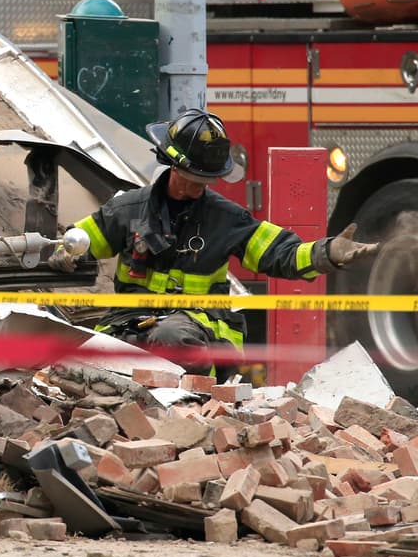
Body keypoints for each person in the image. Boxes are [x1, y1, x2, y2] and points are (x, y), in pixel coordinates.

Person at [68, 108, 380, 375]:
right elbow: (78, 243)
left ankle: (194, 399)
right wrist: (62, 253)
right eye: (193, 180)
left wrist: (326, 253)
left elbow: (280, 253)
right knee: (89, 354)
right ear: (174, 165)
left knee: (172, 337)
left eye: (206, 181)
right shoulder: (127, 210)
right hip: (131, 321)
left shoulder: (226, 218)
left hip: (202, 327)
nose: (199, 189)